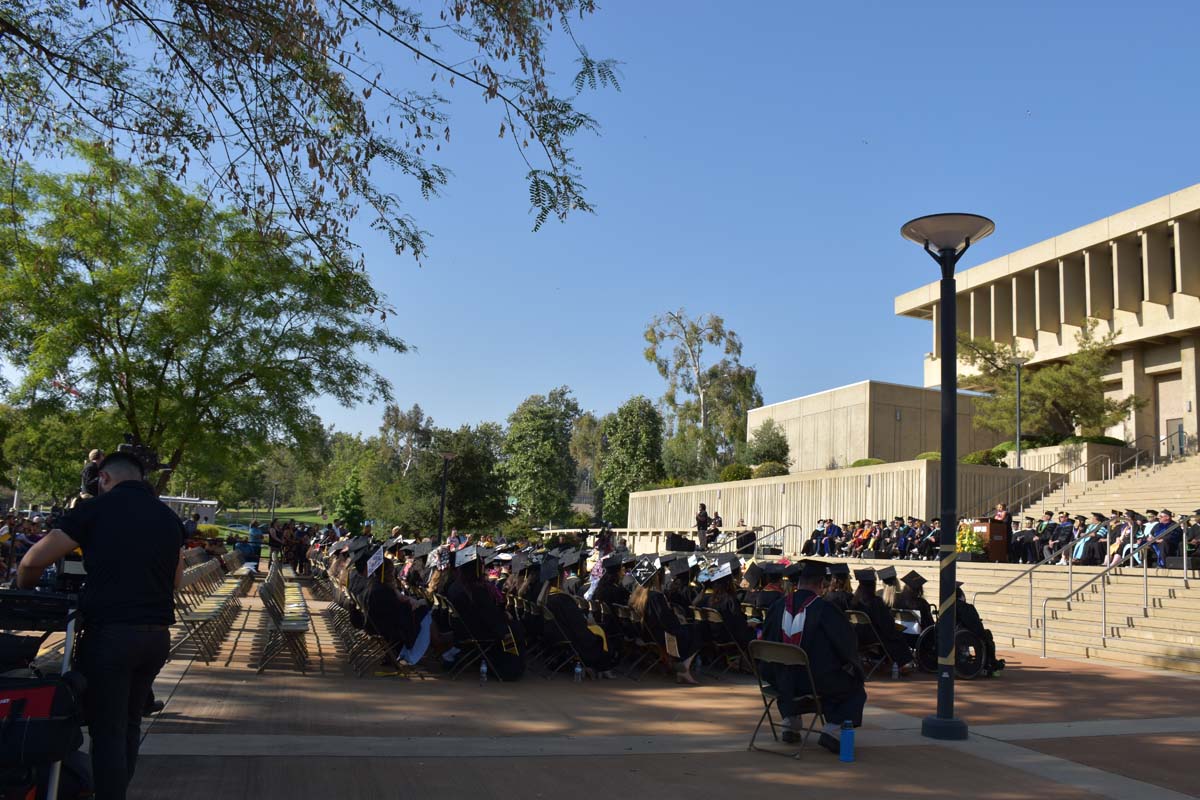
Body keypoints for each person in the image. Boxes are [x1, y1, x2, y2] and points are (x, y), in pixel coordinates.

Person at [17, 451, 183, 800]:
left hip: (111, 635)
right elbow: (177, 581)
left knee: (107, 730)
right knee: (130, 724)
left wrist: (25, 590)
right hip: (156, 636)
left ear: (103, 478)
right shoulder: (168, 517)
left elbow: (32, 560)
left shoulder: (95, 509)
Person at [759, 560, 867, 753]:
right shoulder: (826, 610)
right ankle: (833, 730)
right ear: (821, 584)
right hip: (814, 681)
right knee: (853, 686)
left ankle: (790, 723)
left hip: (779, 680)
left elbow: (765, 638)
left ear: (799, 583)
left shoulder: (777, 606)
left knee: (789, 671)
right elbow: (847, 645)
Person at [541, 556, 620, 677]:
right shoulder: (562, 598)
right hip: (568, 635)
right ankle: (603, 667)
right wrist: (588, 622)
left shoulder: (547, 596)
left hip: (554, 634)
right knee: (599, 634)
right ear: (559, 578)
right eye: (563, 576)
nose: (565, 578)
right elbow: (577, 624)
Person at [850, 568, 912, 670]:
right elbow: (886, 624)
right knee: (896, 635)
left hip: (858, 636)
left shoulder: (855, 601)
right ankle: (903, 664)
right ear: (873, 585)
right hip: (873, 637)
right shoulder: (876, 602)